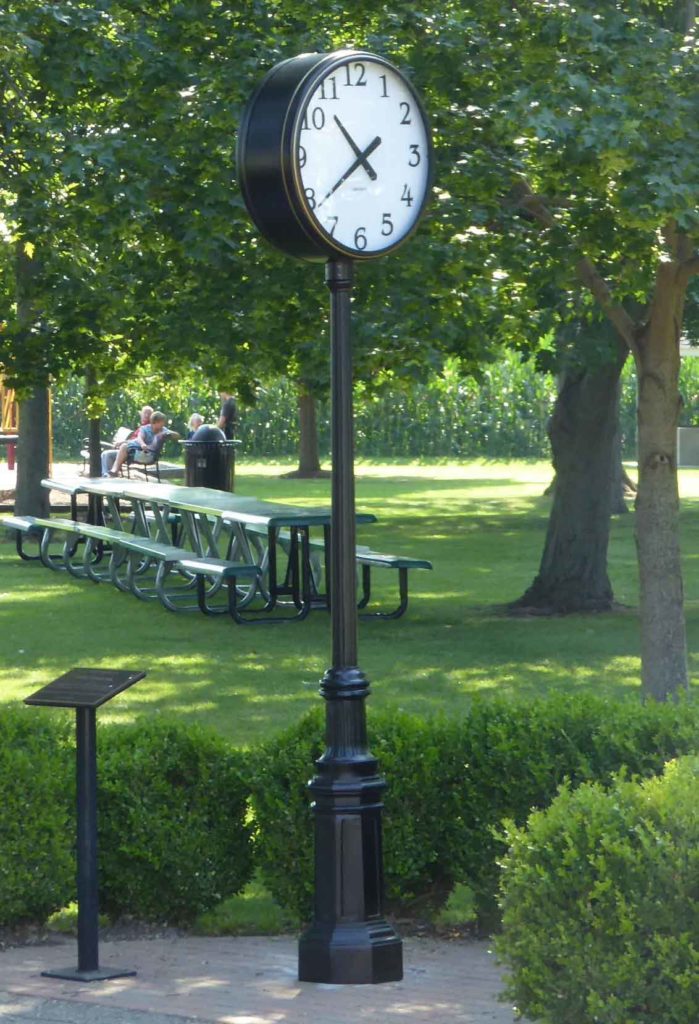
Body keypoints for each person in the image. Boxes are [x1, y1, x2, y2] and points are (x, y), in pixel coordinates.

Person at [102, 411, 180, 477]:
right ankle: (106, 475)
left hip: (138, 452)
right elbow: (139, 438)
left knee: (123, 447)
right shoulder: (145, 428)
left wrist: (169, 433)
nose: (164, 423)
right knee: (106, 454)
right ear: (155, 422)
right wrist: (143, 444)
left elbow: (178, 436)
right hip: (134, 447)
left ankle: (114, 471)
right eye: (162, 422)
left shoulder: (163, 430)